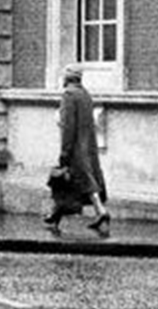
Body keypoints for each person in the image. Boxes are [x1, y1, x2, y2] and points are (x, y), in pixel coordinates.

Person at [43, 65, 109, 236]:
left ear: (67, 78)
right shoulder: (85, 95)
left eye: (64, 76)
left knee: (68, 181)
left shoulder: (68, 96)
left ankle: (101, 212)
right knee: (74, 183)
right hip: (87, 146)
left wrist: (65, 152)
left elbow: (68, 127)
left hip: (75, 148)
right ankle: (55, 215)